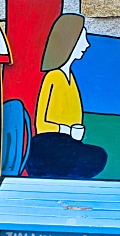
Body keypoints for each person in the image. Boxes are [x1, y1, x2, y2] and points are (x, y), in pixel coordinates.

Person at [35, 13, 89, 141]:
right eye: (82, 39)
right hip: (48, 141)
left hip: (66, 142)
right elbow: (40, 125)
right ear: (70, 41)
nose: (87, 44)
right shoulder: (53, 77)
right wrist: (67, 130)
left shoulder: (71, 78)